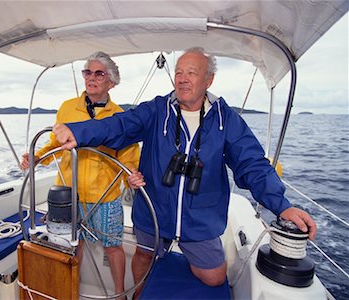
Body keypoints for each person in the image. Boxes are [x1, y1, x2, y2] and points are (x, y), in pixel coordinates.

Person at [52, 47, 317, 298]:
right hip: (154, 209)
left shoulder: (226, 119)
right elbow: (118, 125)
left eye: (191, 72)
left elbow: (252, 164)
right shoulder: (157, 110)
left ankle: (172, 270)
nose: (182, 79)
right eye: (179, 72)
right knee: (143, 257)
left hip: (200, 217)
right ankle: (139, 295)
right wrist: (78, 131)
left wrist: (281, 206)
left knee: (214, 277)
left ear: (208, 80)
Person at [20, 51, 140, 298]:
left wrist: (133, 174)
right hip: (69, 193)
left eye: (99, 73)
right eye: (88, 72)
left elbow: (128, 156)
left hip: (103, 197)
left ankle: (119, 294)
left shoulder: (120, 117)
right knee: (73, 246)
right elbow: (55, 141)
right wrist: (37, 156)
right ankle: (69, 289)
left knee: (113, 247)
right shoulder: (67, 108)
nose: (91, 78)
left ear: (112, 81)